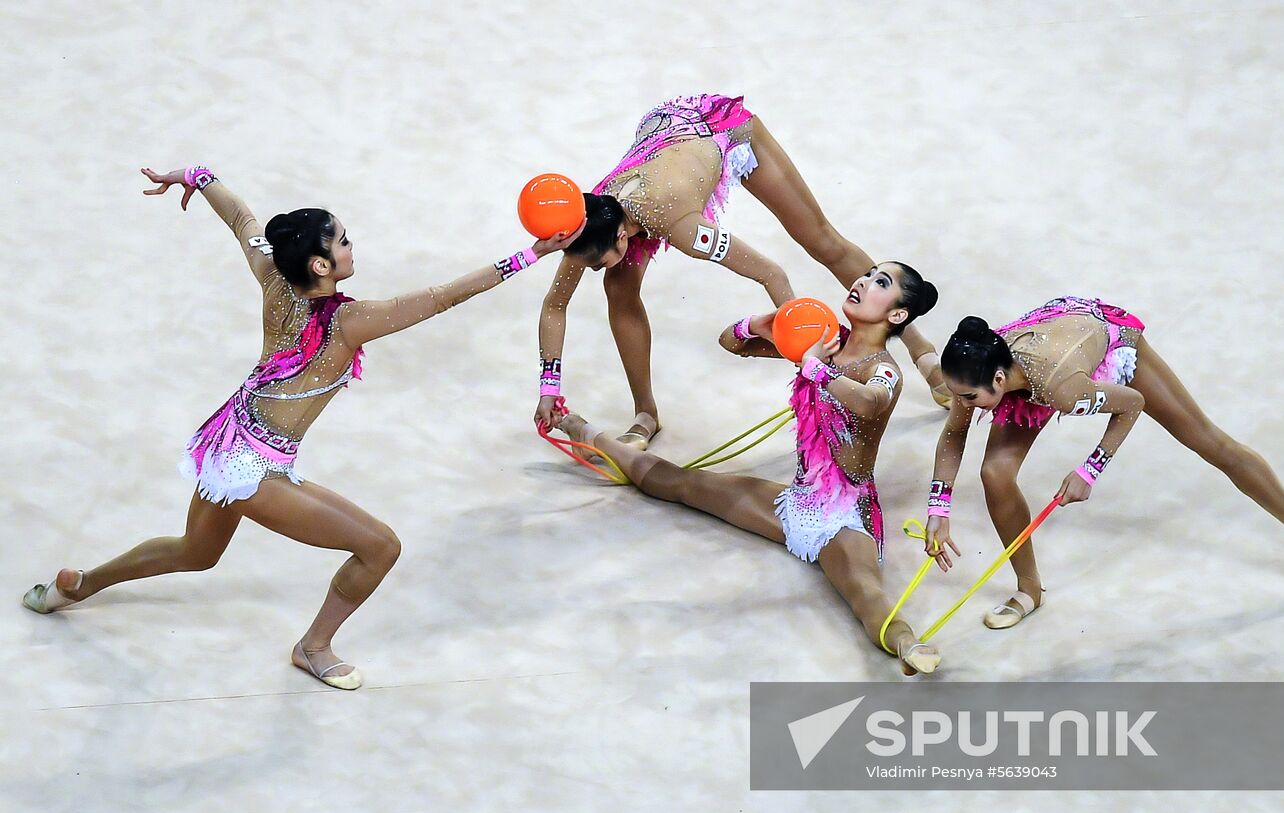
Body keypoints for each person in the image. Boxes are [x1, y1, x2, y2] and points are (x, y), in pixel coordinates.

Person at [23, 165, 576, 689]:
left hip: (230, 437)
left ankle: (77, 586)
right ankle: (314, 646)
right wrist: (531, 253)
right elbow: (440, 298)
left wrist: (197, 175)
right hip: (253, 465)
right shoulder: (349, 323)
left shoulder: (274, 279)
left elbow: (241, 219)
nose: (350, 246)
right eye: (342, 241)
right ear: (319, 264)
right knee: (380, 548)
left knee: (196, 551)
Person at [558, 262, 944, 674]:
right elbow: (731, 343)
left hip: (846, 515)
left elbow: (869, 401)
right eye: (866, 274)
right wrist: (761, 324)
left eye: (880, 283)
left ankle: (909, 645)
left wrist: (814, 367)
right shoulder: (825, 341)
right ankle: (582, 428)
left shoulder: (882, 369)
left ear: (898, 315)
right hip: (795, 501)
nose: (863, 282)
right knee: (680, 483)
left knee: (865, 593)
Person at [921, 297, 1284, 632]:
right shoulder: (979, 372)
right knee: (995, 472)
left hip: (1106, 340)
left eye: (967, 398)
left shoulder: (1062, 387)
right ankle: (1029, 589)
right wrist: (938, 511)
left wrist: (1089, 469)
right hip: (1039, 354)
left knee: (1209, 442)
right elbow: (954, 434)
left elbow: (1132, 404)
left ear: (998, 380)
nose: (960, 406)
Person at [535, 94, 944, 448]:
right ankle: (646, 415)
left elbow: (771, 274)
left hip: (719, 126)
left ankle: (920, 348)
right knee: (618, 285)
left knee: (818, 238)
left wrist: (811, 357)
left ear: (622, 239)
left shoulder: (685, 228)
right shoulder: (589, 221)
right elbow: (555, 305)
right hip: (661, 144)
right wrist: (549, 388)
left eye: (597, 260)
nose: (588, 269)